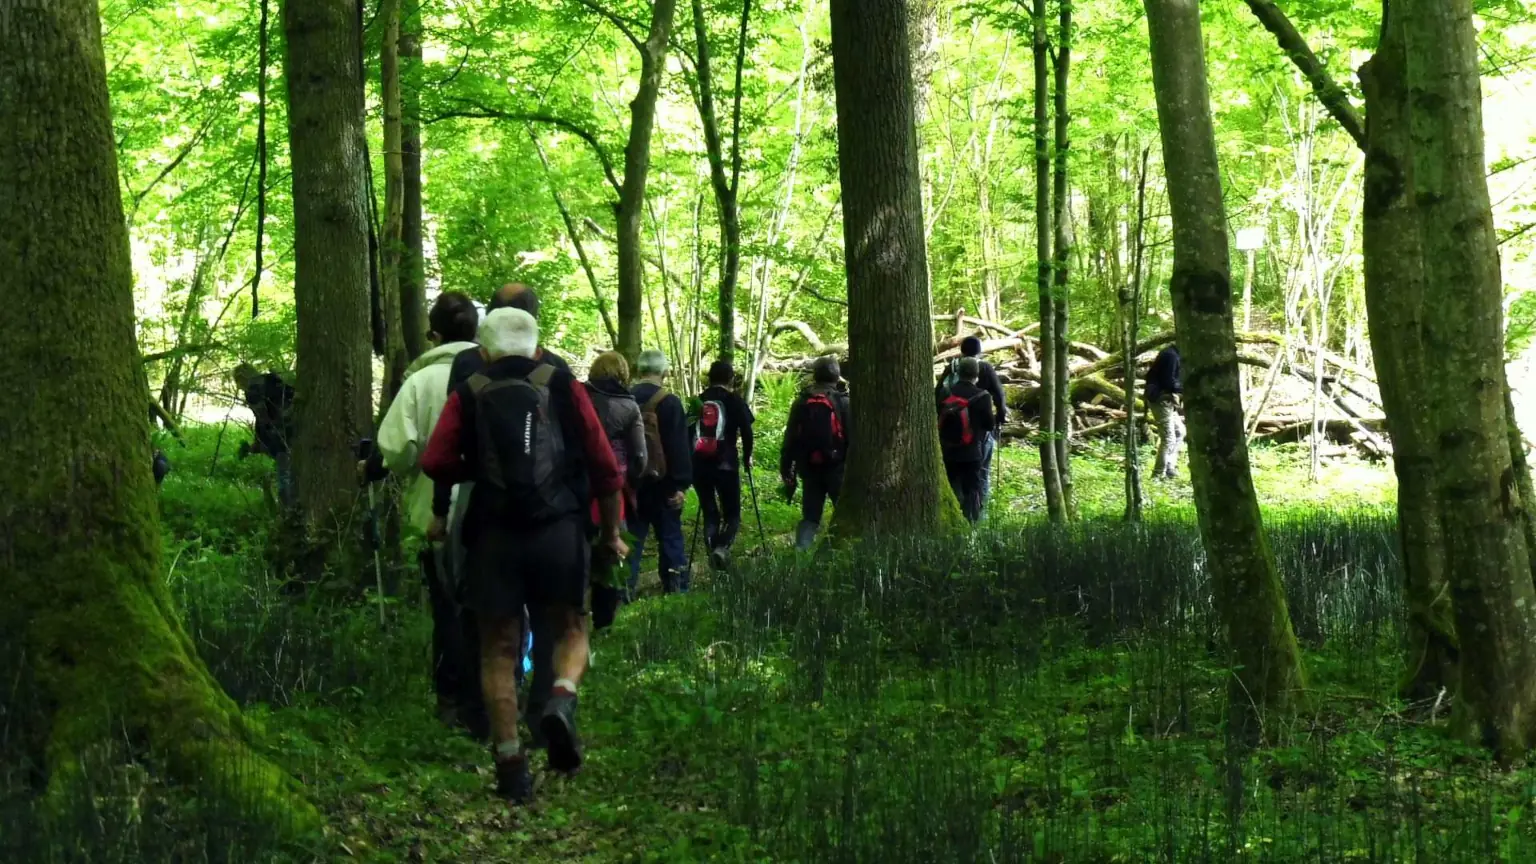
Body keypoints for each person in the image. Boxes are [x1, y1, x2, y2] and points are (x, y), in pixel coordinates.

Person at [421, 308, 627, 804]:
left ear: (484, 351)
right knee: (572, 630)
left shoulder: (468, 390)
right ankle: (560, 698)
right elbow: (604, 465)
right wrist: (611, 532)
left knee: (497, 649)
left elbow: (436, 460)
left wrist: (449, 501)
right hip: (557, 530)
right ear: (537, 348)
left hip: (493, 535)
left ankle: (511, 762)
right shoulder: (561, 384)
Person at [362, 291, 483, 733]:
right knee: (500, 605)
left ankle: (451, 699)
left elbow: (398, 447)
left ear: (433, 334)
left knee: (448, 607)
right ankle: (504, 694)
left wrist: (379, 467)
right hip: (503, 511)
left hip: (440, 517)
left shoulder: (420, 382)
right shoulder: (502, 371)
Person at [585, 351, 647, 628]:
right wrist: (631, 478)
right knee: (611, 555)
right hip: (612, 491)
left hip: (575, 489)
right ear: (624, 374)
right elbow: (640, 457)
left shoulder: (577, 399)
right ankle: (604, 621)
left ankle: (575, 618)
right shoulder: (628, 406)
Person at [627, 349, 693, 594]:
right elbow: (679, 446)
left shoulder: (625, 397)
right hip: (664, 484)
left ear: (639, 370)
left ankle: (624, 592)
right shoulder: (669, 401)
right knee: (670, 538)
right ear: (664, 372)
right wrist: (681, 484)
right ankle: (676, 589)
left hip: (632, 484)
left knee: (632, 540)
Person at [781, 356, 851, 550]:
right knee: (844, 513)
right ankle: (842, 552)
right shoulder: (843, 401)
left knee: (811, 517)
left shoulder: (802, 402)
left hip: (809, 467)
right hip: (837, 467)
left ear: (814, 375)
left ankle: (800, 553)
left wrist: (787, 470)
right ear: (837, 376)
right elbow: (852, 437)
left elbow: (790, 438)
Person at [692, 359, 755, 570]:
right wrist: (747, 457)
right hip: (726, 463)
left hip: (700, 465)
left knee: (710, 512)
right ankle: (722, 548)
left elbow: (687, 431)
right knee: (733, 513)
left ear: (709, 378)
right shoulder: (734, 400)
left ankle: (712, 551)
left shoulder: (699, 401)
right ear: (730, 379)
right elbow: (747, 430)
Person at [937, 336, 1007, 515]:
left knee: (954, 478)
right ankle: (976, 517)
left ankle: (954, 511)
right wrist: (1000, 418)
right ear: (979, 351)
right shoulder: (984, 368)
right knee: (980, 475)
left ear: (961, 350)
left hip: (950, 439)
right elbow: (999, 396)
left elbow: (937, 395)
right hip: (978, 437)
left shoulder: (951, 367)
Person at [938, 357, 996, 523]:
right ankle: (972, 525)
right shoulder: (983, 396)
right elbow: (989, 425)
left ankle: (951, 522)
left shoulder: (946, 392)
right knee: (972, 490)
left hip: (947, 451)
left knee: (952, 488)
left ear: (959, 373)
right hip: (971, 453)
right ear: (976, 375)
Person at [232, 363, 296, 509]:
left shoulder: (253, 390)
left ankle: (289, 515)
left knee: (284, 479)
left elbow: (263, 419)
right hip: (296, 431)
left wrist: (259, 442)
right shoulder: (272, 380)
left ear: (241, 379)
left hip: (281, 437)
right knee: (293, 475)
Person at [1145, 343, 1184, 480]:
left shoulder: (1174, 354)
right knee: (1168, 437)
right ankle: (1157, 474)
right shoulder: (1171, 356)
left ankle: (1170, 467)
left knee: (1180, 432)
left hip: (1167, 400)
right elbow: (1169, 381)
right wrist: (1186, 388)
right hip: (1160, 399)